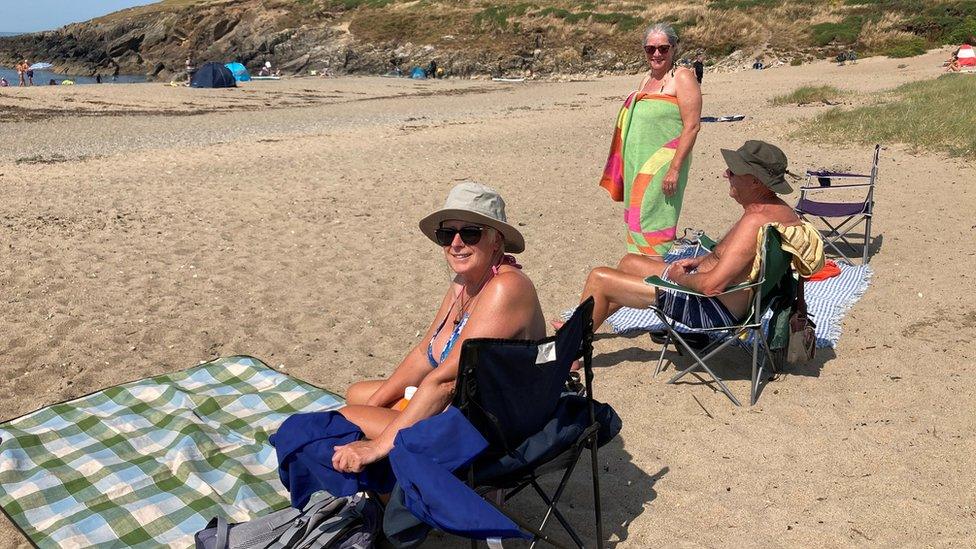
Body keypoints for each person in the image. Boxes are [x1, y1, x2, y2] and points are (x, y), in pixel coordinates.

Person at [331, 182, 546, 474]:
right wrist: (376, 404)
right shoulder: (464, 284)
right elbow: (424, 354)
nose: (456, 244)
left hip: (484, 428)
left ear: (496, 240)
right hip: (461, 405)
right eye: (447, 234)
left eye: (470, 233)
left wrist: (378, 445)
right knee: (359, 395)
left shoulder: (506, 288)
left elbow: (446, 383)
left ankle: (389, 497)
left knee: (347, 418)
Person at [565, 141, 821, 333]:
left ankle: (569, 351)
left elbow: (712, 287)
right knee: (629, 262)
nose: (725, 174)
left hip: (709, 308)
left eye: (733, 171)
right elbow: (740, 258)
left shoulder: (756, 221)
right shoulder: (781, 213)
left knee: (599, 278)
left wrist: (680, 277)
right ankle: (583, 329)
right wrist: (702, 261)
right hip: (729, 297)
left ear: (756, 182)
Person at [599, 22, 702, 259]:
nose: (656, 54)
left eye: (663, 48)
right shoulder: (646, 79)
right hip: (638, 165)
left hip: (662, 167)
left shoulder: (683, 77)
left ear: (674, 48)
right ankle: (640, 274)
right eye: (650, 49)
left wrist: (674, 169)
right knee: (638, 221)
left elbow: (692, 125)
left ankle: (654, 278)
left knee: (655, 225)